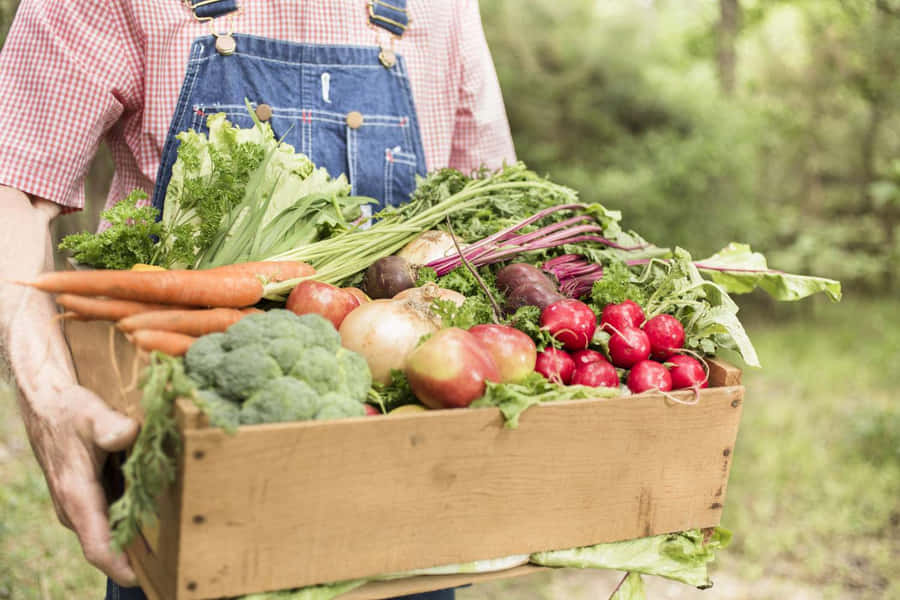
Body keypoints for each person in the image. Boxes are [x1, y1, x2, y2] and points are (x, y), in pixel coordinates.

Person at [0, 2, 515, 599]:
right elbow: (11, 184)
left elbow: (483, 208)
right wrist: (48, 396)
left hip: (399, 495)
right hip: (188, 473)